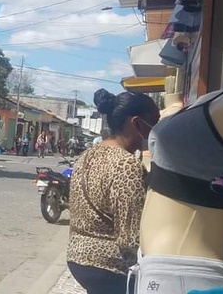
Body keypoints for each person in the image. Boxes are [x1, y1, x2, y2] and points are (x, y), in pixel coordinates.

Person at [66, 88, 159, 294]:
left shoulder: (87, 155)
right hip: (109, 266)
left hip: (78, 258)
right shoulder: (127, 165)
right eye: (155, 121)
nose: (157, 129)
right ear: (136, 123)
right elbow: (130, 238)